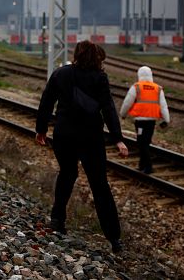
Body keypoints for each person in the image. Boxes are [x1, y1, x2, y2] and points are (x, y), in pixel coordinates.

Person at [35, 40, 128, 254]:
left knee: (67, 173)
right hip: (90, 138)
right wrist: (118, 138)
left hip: (64, 135)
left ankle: (57, 220)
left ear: (76, 54)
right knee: (99, 185)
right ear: (96, 56)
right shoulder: (100, 78)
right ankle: (114, 239)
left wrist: (41, 129)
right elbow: (108, 108)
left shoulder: (61, 74)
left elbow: (46, 102)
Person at [119, 66, 170, 174]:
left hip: (141, 121)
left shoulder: (136, 87)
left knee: (142, 143)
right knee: (145, 142)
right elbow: (164, 106)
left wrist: (123, 114)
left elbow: (127, 102)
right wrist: (166, 120)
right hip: (152, 120)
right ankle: (142, 165)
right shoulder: (158, 88)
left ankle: (148, 167)